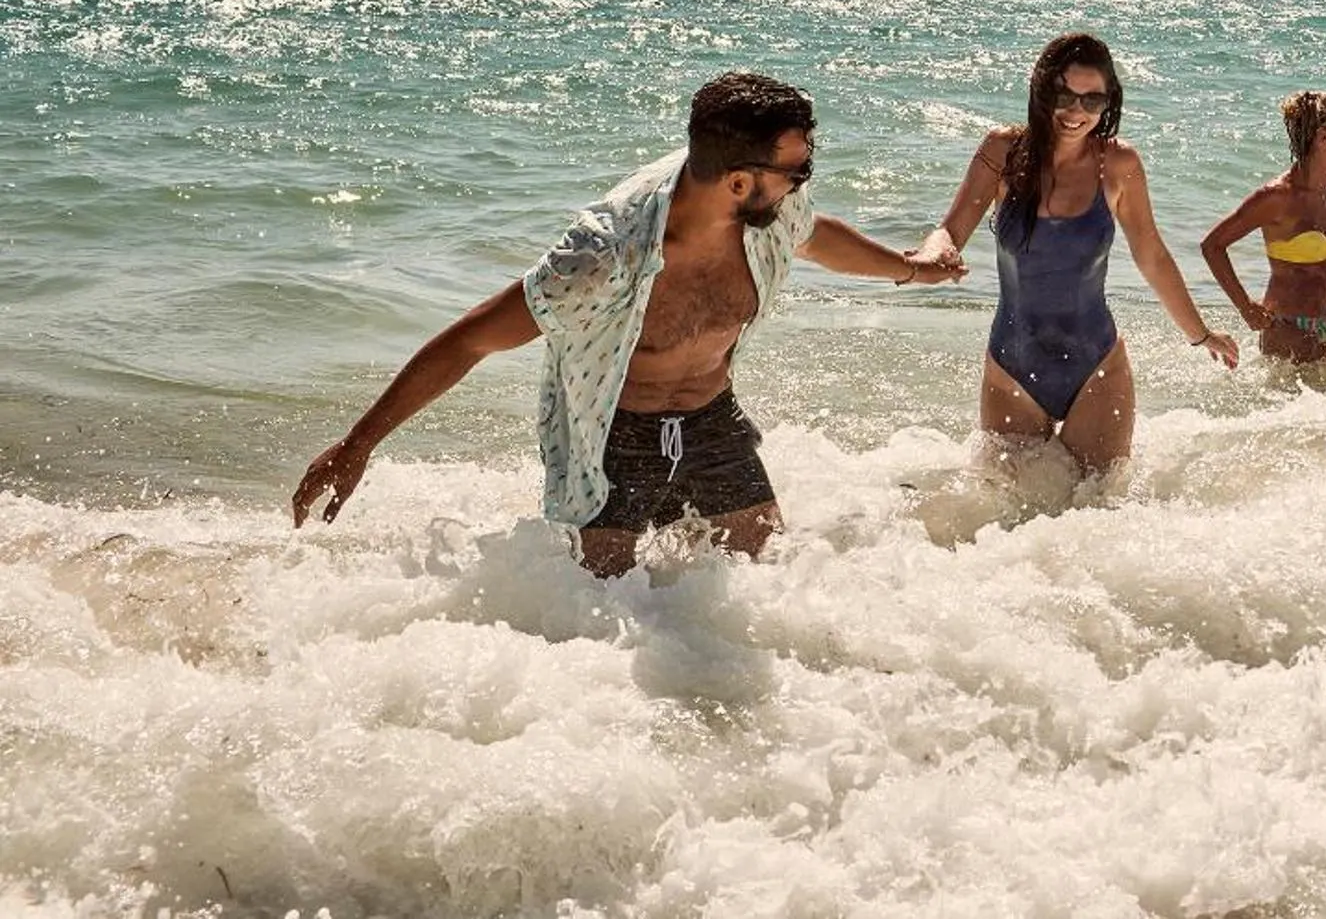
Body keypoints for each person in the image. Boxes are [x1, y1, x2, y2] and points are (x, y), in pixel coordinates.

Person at [291, 71, 962, 576]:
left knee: (768, 581)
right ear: (735, 180)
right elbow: (470, 339)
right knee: (602, 611)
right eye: (797, 168)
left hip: (711, 421)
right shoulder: (604, 253)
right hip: (617, 437)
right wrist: (357, 446)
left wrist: (911, 269)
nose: (803, 181)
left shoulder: (774, 208)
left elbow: (817, 235)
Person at [915, 33, 1239, 479]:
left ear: (1109, 103)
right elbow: (951, 229)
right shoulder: (1002, 151)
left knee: (1098, 512)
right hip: (1012, 367)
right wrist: (937, 250)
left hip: (1096, 365)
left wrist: (1199, 334)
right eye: (1065, 96)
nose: (1076, 112)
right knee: (1010, 518)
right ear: (1042, 89)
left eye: (1092, 100)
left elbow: (1152, 256)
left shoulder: (1118, 164)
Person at [1203, 91, 1326, 367]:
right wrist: (1245, 307)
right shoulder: (1276, 197)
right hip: (1289, 328)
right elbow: (1213, 246)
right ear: (1323, 136)